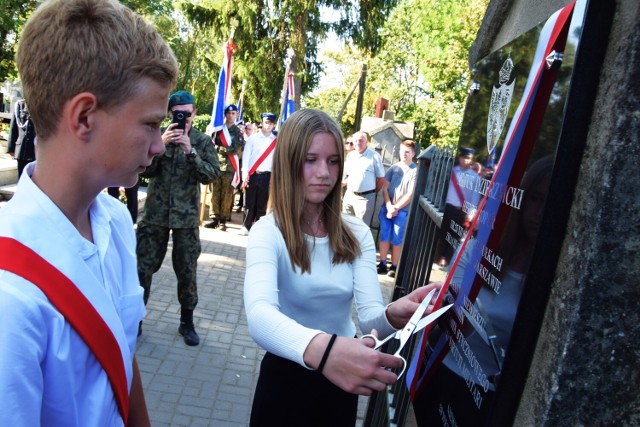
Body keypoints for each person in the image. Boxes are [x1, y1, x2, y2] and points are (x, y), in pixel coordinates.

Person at [0, 0, 178, 424]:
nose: (158, 145)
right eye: (150, 124)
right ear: (83, 117)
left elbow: (119, 353)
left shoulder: (114, 221)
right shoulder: (10, 293)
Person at [243, 108, 443, 426]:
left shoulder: (357, 233)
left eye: (333, 160)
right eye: (311, 159)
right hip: (285, 382)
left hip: (340, 382)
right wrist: (326, 352)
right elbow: (259, 316)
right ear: (288, 162)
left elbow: (369, 319)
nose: (324, 172)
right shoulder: (268, 231)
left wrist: (393, 315)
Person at [136, 90, 220, 346]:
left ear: (194, 113)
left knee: (187, 270)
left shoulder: (203, 141)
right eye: (177, 112)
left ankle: (187, 322)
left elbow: (211, 175)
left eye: (187, 111)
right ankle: (135, 320)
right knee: (142, 269)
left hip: (186, 218)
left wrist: (190, 152)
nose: (183, 117)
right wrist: (158, 146)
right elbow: (142, 171)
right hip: (155, 215)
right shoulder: (156, 137)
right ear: (171, 114)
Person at [377, 140, 418, 278]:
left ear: (413, 153)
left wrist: (395, 208)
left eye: (407, 151)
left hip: (402, 211)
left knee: (397, 238)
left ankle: (394, 266)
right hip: (387, 209)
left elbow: (410, 194)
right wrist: (389, 206)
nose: (404, 154)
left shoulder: (415, 171)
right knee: (384, 235)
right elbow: (385, 189)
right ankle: (382, 263)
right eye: (402, 151)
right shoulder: (393, 168)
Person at [435, 147, 481, 267]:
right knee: (443, 232)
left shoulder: (475, 177)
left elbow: (475, 197)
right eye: (464, 158)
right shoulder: (452, 172)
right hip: (448, 207)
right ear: (460, 158)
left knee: (455, 235)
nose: (466, 161)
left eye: (469, 159)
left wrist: (470, 213)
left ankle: (447, 258)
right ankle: (439, 256)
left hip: (460, 210)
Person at [205, 104, 244, 231]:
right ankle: (214, 218)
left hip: (229, 167)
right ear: (225, 114)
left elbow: (234, 149)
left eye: (233, 113)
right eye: (229, 113)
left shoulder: (237, 132)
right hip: (216, 165)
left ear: (237, 115)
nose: (231, 116)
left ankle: (223, 220)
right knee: (214, 192)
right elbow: (210, 143)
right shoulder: (218, 129)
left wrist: (218, 148)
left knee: (227, 194)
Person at [239, 112, 277, 236]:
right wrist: (245, 173)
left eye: (271, 123)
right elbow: (246, 157)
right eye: (266, 122)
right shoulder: (253, 139)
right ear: (262, 123)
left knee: (263, 203)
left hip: (267, 175)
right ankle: (246, 226)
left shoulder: (276, 141)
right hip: (253, 174)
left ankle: (258, 227)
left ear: (274, 125)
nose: (268, 126)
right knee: (249, 202)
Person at [342, 131, 385, 227]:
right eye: (356, 140)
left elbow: (381, 179)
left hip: (365, 198)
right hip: (349, 196)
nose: (358, 143)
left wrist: (372, 192)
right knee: (346, 225)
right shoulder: (351, 156)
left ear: (366, 142)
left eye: (361, 140)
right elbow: (350, 176)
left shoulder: (374, 156)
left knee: (362, 228)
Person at [7, 98, 36, 178]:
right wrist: (11, 148)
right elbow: (13, 128)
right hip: (22, 150)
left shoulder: (42, 105)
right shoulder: (20, 105)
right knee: (21, 177)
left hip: (36, 151)